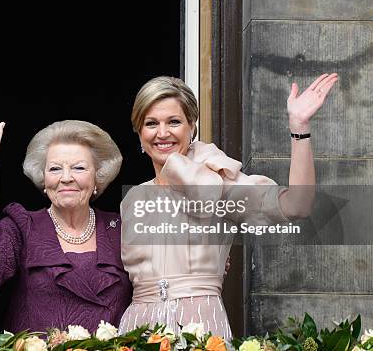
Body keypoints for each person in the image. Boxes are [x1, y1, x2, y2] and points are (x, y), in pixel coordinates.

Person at [118, 75, 337, 338]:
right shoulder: (132, 200)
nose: (162, 133)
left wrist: (299, 126)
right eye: (151, 123)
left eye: (174, 122)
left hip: (200, 324)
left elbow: (297, 205)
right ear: (139, 133)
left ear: (192, 127)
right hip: (139, 326)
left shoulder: (217, 180)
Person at [0, 110, 132, 333]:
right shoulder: (24, 225)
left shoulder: (120, 228)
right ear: (43, 179)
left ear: (97, 177)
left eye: (79, 168)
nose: (66, 177)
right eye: (55, 169)